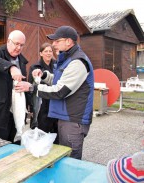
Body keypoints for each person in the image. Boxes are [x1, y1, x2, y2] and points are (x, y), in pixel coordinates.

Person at [32, 25, 94, 159]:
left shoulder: (78, 62)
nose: (53, 44)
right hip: (67, 118)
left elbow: (61, 91)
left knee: (71, 161)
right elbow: (61, 80)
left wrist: (33, 88)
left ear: (69, 41)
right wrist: (44, 76)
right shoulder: (69, 59)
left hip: (73, 121)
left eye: (57, 41)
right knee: (65, 158)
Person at [0, 30, 33, 143]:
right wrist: (11, 67)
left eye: (21, 45)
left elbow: (24, 85)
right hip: (0, 111)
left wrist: (30, 106)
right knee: (0, 145)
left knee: (16, 143)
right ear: (9, 41)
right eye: (16, 43)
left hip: (17, 110)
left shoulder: (22, 61)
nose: (18, 48)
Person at [28, 43, 59, 143]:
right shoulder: (35, 67)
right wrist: (31, 107)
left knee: (56, 134)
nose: (48, 53)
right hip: (41, 105)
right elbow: (31, 87)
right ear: (41, 53)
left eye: (50, 51)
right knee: (41, 133)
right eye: (46, 51)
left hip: (55, 103)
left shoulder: (57, 66)